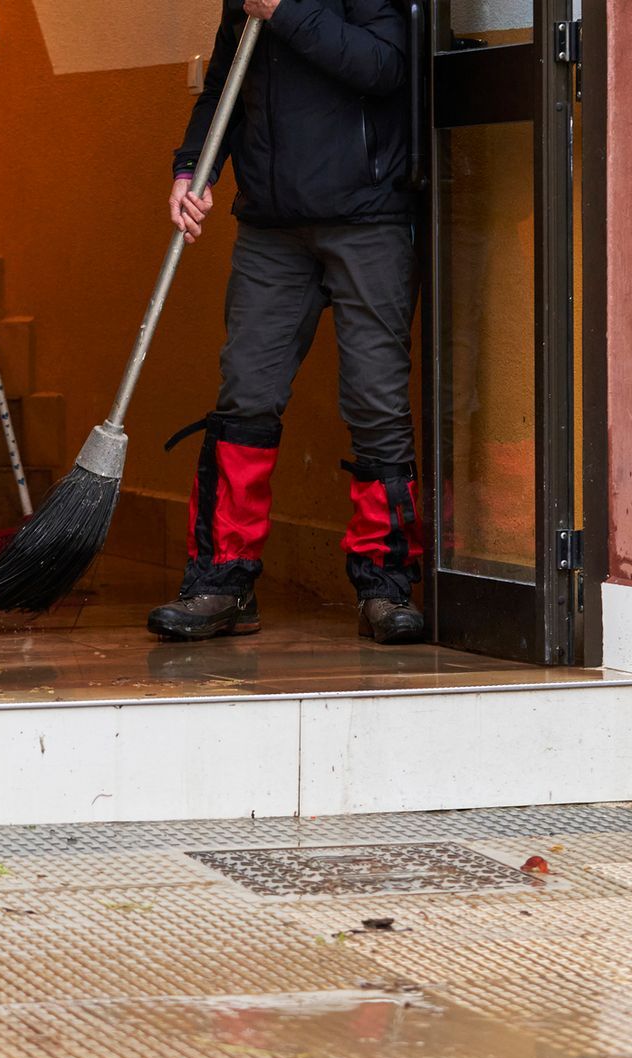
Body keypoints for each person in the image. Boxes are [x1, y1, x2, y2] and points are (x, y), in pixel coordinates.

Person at [148, 0, 422, 644]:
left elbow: (386, 66)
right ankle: (222, 581)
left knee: (377, 401)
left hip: (369, 217)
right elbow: (223, 86)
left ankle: (385, 587)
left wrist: (285, 11)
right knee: (246, 392)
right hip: (271, 226)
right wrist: (194, 168)